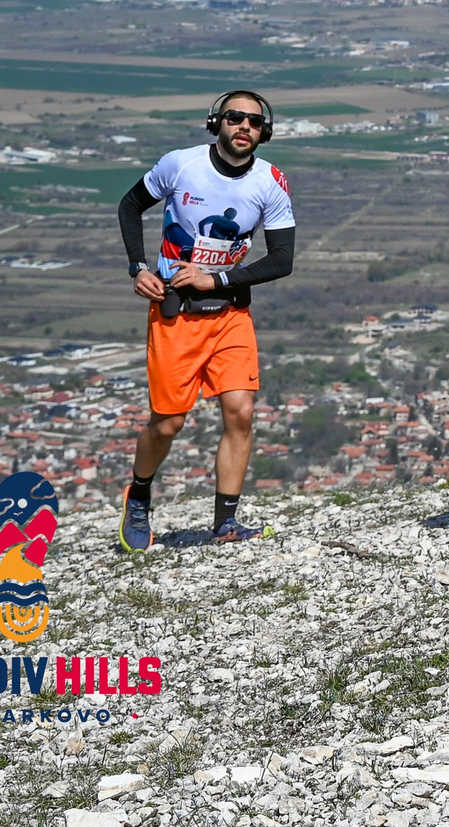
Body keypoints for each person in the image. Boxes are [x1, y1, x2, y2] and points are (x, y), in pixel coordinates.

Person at [116, 89, 297, 551]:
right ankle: (138, 494)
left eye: (255, 123)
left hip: (231, 311)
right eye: (236, 118)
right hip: (176, 313)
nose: (245, 128)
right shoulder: (181, 164)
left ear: (265, 132)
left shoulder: (271, 182)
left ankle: (225, 523)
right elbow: (130, 205)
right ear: (217, 121)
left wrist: (217, 279)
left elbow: (282, 260)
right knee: (168, 424)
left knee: (241, 411)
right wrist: (138, 266)